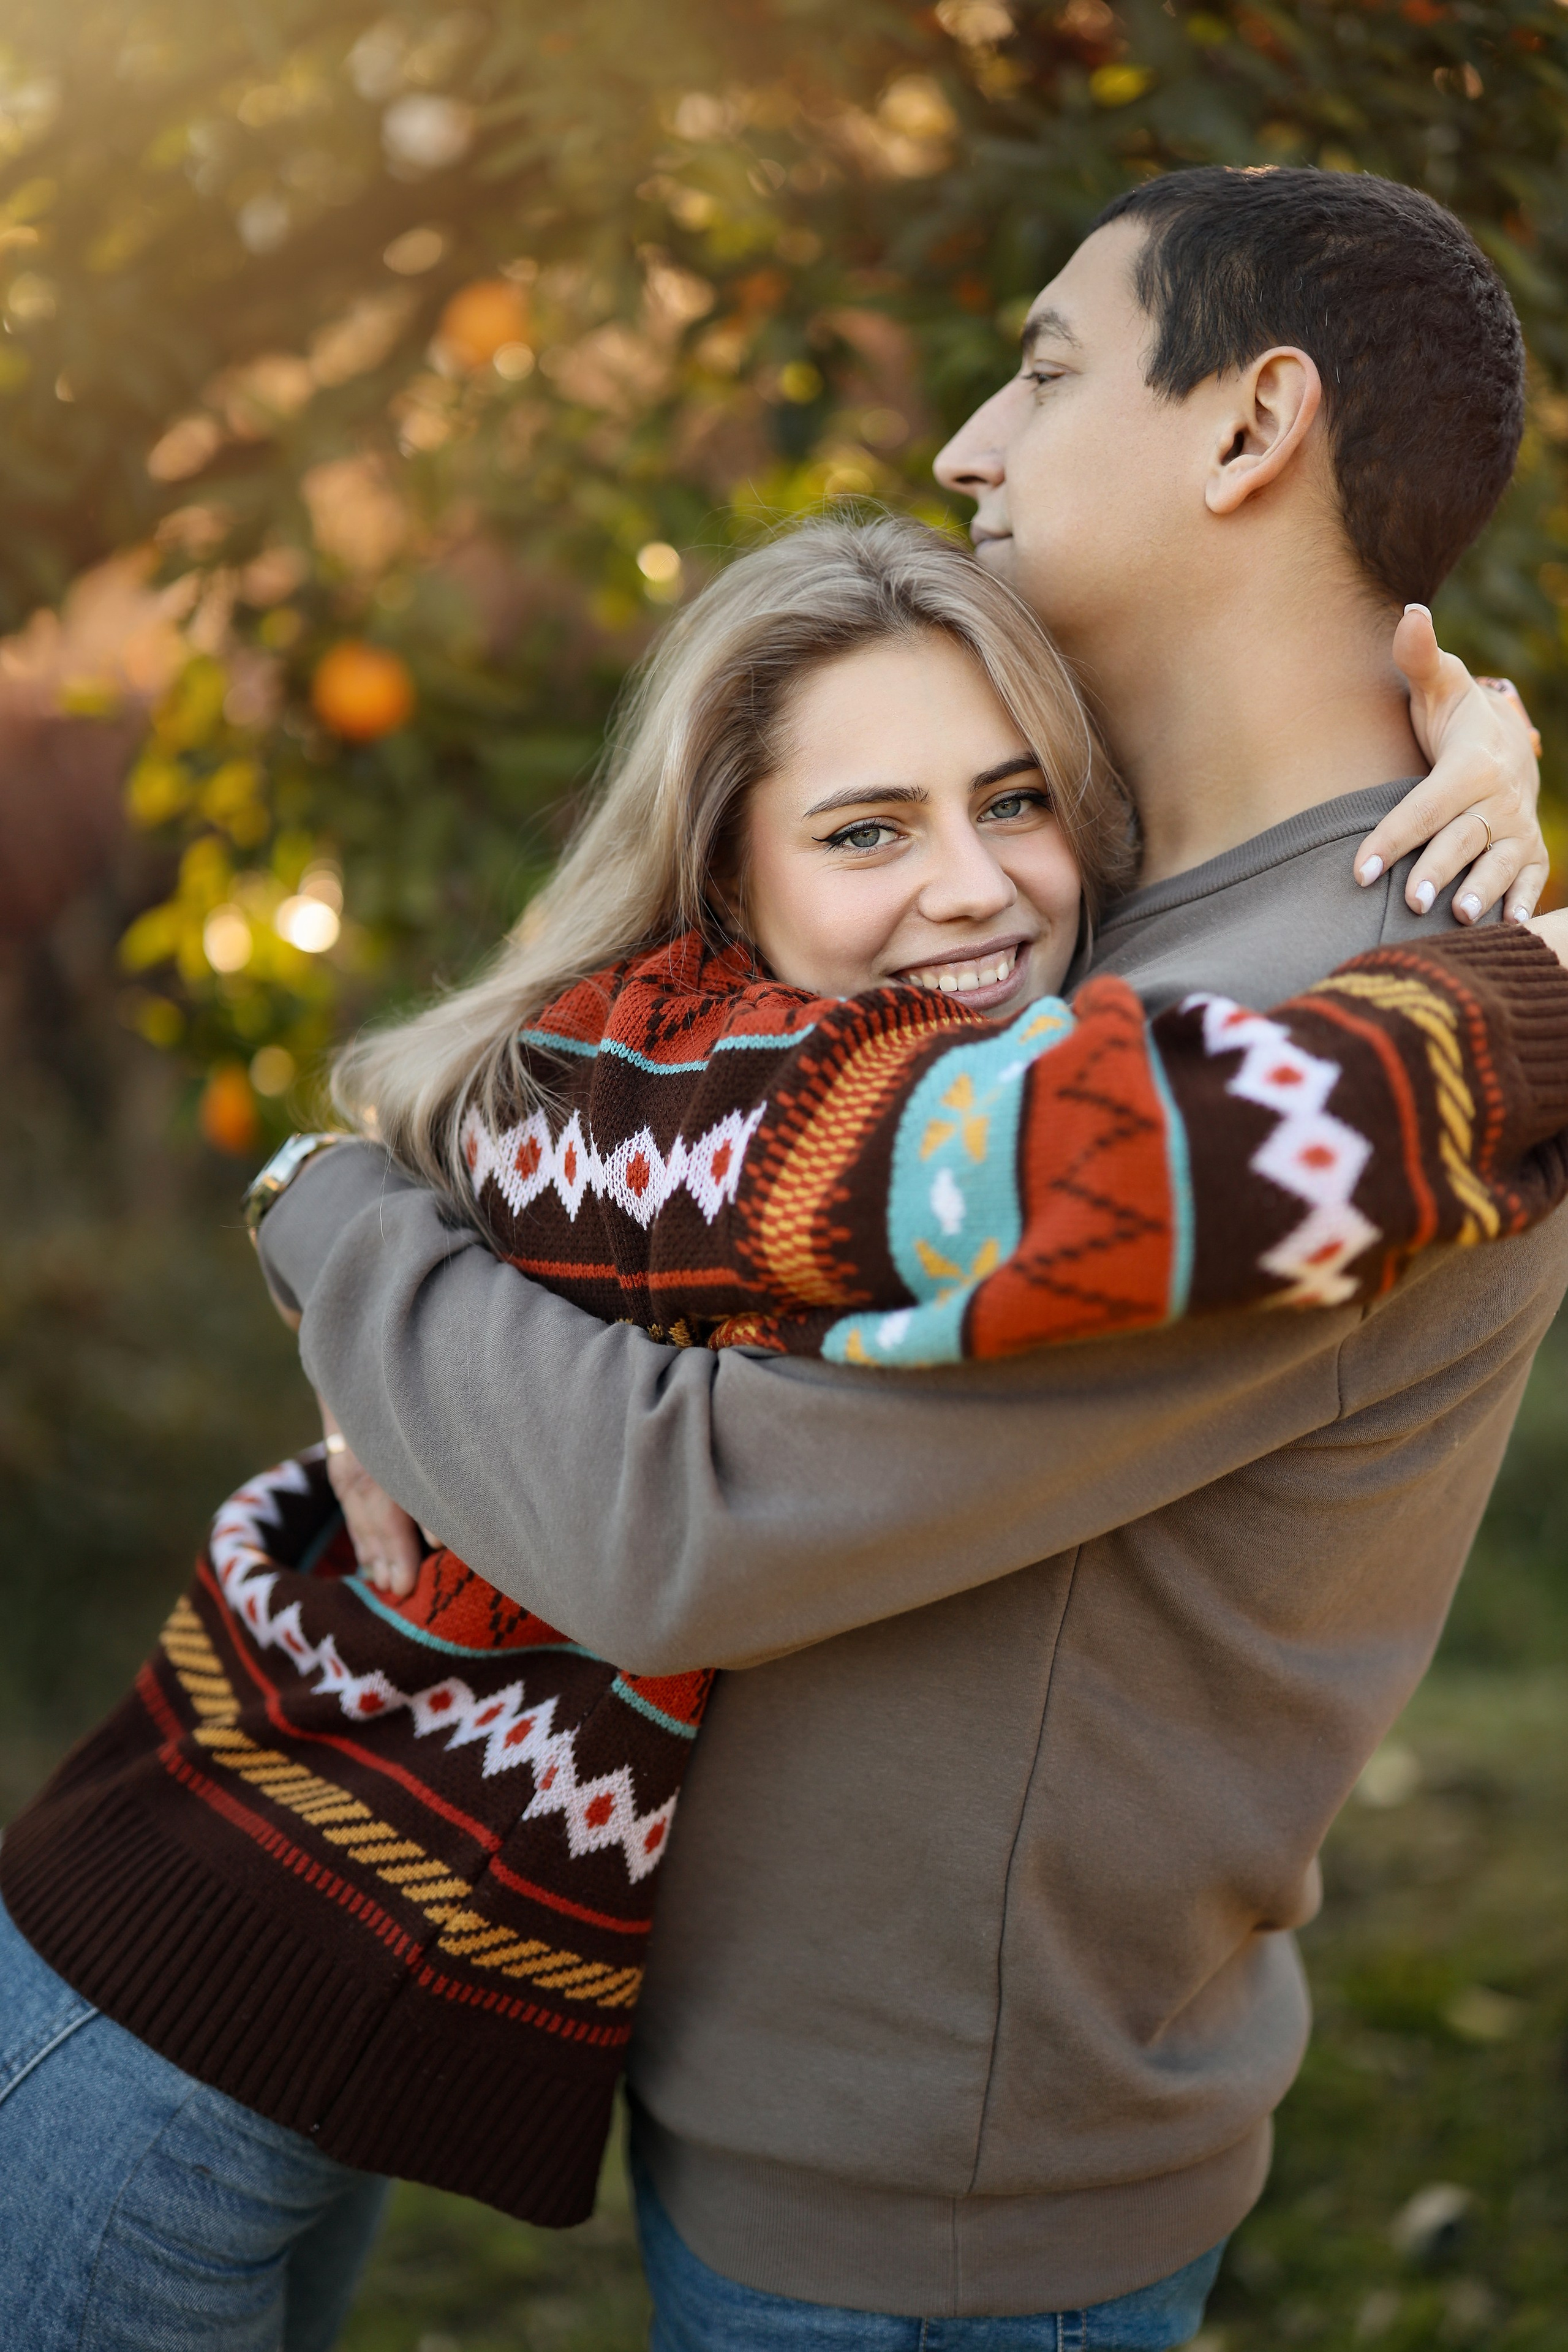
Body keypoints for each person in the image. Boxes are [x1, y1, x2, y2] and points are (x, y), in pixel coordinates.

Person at [0, 169, 1561, 2350]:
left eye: (1044, 371)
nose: (966, 446)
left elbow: (674, 1518)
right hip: (759, 2100)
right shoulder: (1114, 917)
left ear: (1249, 428)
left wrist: (330, 1217)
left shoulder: (1348, 1049)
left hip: (939, 2197)